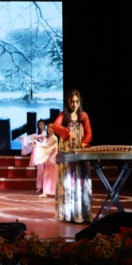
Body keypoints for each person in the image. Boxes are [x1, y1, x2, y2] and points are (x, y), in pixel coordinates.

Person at [51, 89, 92, 222]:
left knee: (81, 179)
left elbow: (89, 133)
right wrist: (68, 133)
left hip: (80, 150)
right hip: (67, 150)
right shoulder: (64, 115)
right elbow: (54, 126)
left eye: (76, 102)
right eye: (72, 102)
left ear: (80, 102)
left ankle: (82, 213)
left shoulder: (83, 116)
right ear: (68, 102)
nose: (74, 104)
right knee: (68, 180)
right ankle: (68, 214)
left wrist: (84, 143)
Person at [30, 124, 58, 198]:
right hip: (48, 159)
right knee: (47, 175)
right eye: (48, 128)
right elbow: (43, 145)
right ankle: (46, 192)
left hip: (53, 159)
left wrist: (37, 143)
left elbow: (45, 146)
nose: (50, 129)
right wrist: (35, 144)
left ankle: (54, 192)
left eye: (51, 128)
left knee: (53, 176)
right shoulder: (49, 138)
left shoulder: (54, 138)